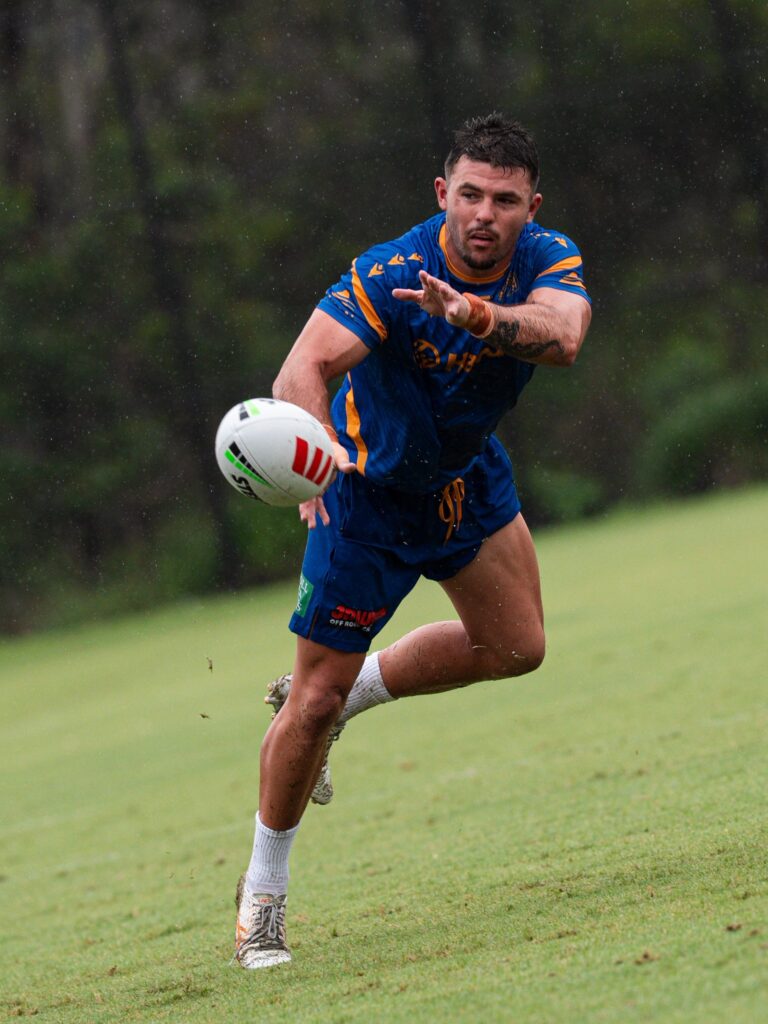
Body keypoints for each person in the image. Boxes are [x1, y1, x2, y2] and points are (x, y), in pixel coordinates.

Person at [234, 113, 592, 968]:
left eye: (504, 200)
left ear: (531, 207)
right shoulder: (392, 271)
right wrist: (314, 460)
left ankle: (357, 695)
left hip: (465, 481)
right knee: (310, 703)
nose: (484, 214)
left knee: (518, 646)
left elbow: (564, 337)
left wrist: (475, 315)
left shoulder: (548, 258)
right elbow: (302, 369)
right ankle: (262, 900)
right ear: (442, 194)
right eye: (469, 194)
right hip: (363, 499)